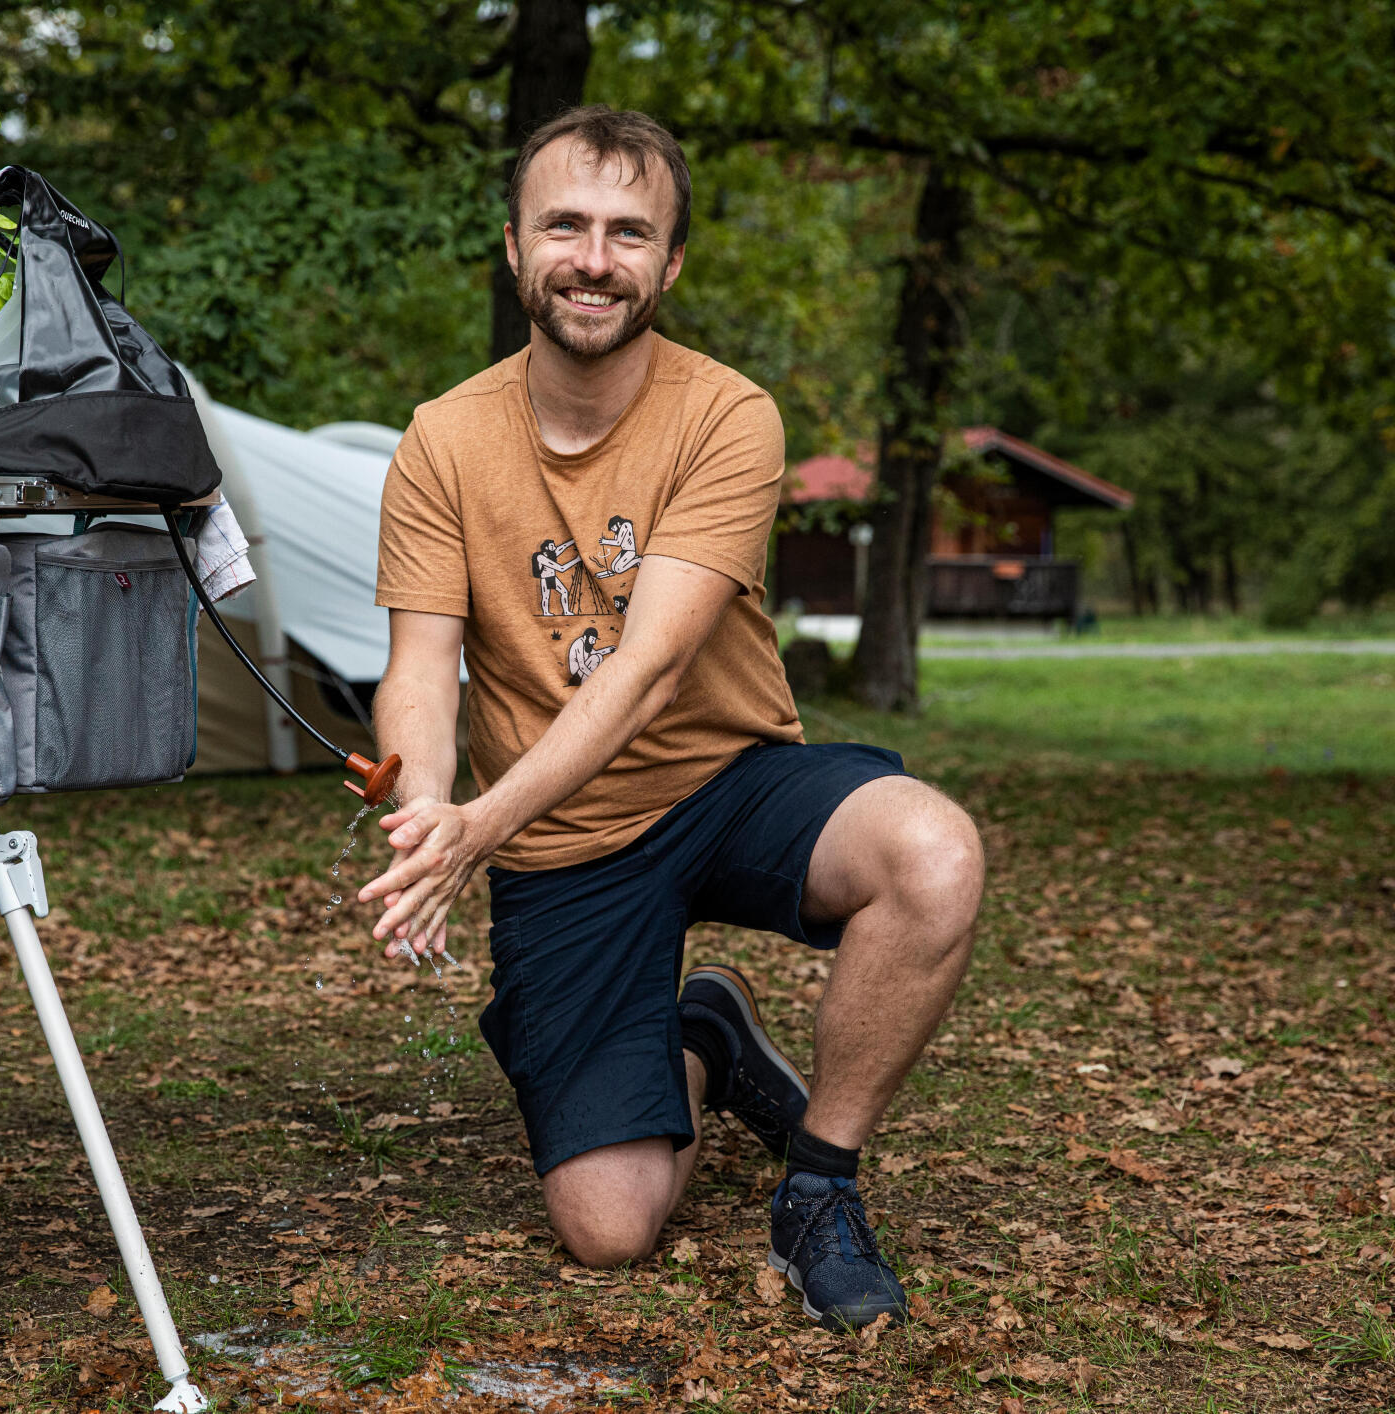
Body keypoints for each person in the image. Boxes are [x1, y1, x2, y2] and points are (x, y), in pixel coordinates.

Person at [363, 105, 983, 1331]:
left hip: (726, 781)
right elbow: (423, 665)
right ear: (512, 246)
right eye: (566, 225)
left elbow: (645, 670)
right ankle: (703, 1031)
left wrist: (473, 824)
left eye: (628, 232)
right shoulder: (440, 440)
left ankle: (819, 1185)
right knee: (608, 1229)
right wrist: (425, 801)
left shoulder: (728, 415)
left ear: (670, 265)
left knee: (933, 851)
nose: (594, 257)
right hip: (563, 844)